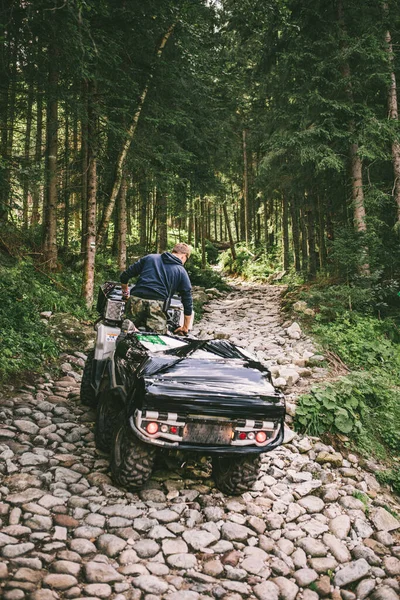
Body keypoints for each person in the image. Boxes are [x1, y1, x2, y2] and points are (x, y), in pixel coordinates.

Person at [120, 243, 193, 335]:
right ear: (184, 256)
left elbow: (125, 276)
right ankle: (146, 333)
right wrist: (185, 327)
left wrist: (125, 294)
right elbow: (187, 299)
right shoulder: (181, 271)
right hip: (156, 304)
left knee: (128, 332)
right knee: (157, 336)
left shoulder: (150, 258)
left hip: (135, 300)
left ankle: (132, 329)